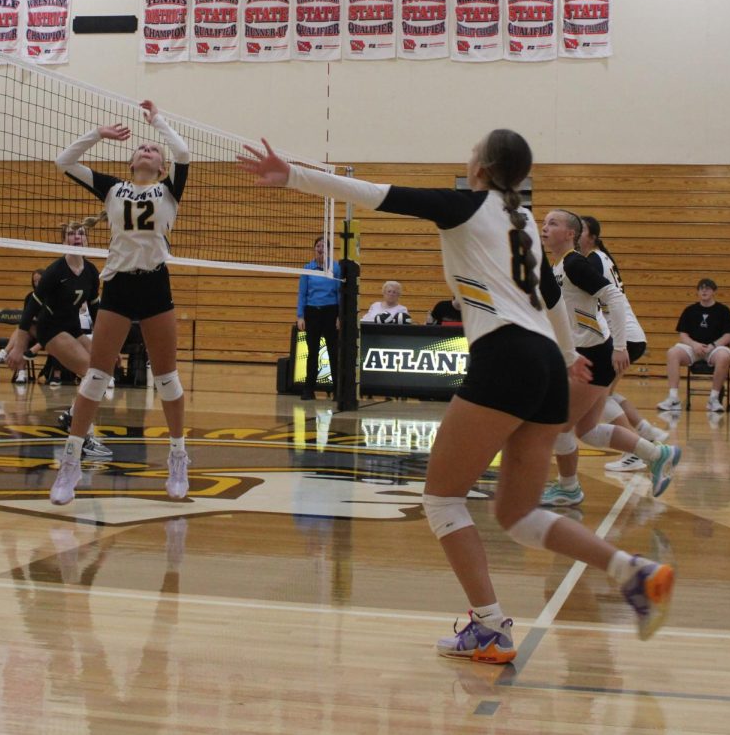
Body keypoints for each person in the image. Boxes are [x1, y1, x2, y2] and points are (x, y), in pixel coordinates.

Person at [237, 130, 675, 659]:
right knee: (518, 513)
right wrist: (563, 356)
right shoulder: (526, 226)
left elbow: (377, 194)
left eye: (472, 155)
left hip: (507, 355)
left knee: (442, 499)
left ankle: (489, 626)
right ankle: (632, 571)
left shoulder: (469, 206)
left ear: (484, 169)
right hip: (543, 364)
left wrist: (292, 175)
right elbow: (554, 300)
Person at [46, 100, 192, 504]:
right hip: (118, 288)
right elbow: (63, 161)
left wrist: (159, 121)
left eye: (154, 151)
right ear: (130, 162)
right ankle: (70, 463)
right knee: (96, 376)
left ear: (160, 168)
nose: (148, 149)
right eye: (142, 148)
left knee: (167, 379)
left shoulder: (168, 189)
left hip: (155, 286)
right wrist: (98, 134)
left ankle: (178, 456)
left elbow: (182, 153)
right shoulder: (111, 187)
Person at [539, 211, 680, 506]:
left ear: (570, 234)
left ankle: (568, 488)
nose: (545, 227)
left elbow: (613, 297)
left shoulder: (575, 263)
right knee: (587, 431)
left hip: (594, 356)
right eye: (544, 222)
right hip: (585, 354)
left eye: (553, 223)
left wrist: (620, 346)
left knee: (558, 425)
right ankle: (657, 454)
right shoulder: (558, 266)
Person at [4, 223, 110, 460]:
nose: (77, 237)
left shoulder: (91, 271)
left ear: (87, 240)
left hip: (73, 327)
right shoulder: (55, 271)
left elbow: (95, 310)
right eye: (71, 233)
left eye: (81, 233)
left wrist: (106, 344)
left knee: (102, 373)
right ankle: (83, 437)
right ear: (64, 241)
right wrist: (20, 346)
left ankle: (73, 416)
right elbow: (31, 307)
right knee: (90, 372)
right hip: (50, 329)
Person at [578, 216, 667, 470]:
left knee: (601, 397)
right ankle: (647, 433)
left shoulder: (592, 260)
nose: (576, 235)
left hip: (621, 337)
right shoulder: (601, 258)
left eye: (581, 230)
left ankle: (639, 450)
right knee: (608, 394)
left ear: (592, 237)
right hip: (628, 336)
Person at [657, 279, 730, 413]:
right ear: (698, 292)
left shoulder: (723, 310)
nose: (704, 291)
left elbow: (728, 336)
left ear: (714, 291)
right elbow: (683, 335)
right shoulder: (690, 310)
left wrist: (712, 346)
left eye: (708, 288)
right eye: (701, 288)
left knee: (724, 356)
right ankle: (673, 398)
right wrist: (694, 344)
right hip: (693, 347)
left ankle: (713, 399)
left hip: (714, 348)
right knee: (672, 352)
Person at [296, 236, 344, 400]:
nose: (320, 248)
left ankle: (337, 390)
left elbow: (339, 292)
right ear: (314, 248)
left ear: (329, 250)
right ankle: (309, 389)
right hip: (312, 313)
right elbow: (302, 293)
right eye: (318, 245)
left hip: (330, 311)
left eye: (324, 246)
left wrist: (339, 316)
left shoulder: (335, 268)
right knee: (312, 352)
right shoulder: (308, 268)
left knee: (333, 351)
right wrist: (300, 316)